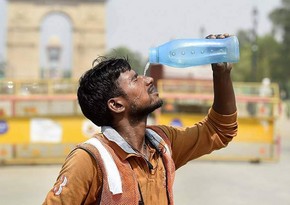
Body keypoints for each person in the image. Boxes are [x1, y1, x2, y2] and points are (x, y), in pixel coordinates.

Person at [43, 34, 238, 205]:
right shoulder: (89, 160)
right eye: (135, 79)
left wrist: (221, 74)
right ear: (117, 105)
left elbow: (219, 130)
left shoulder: (162, 144)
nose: (149, 79)